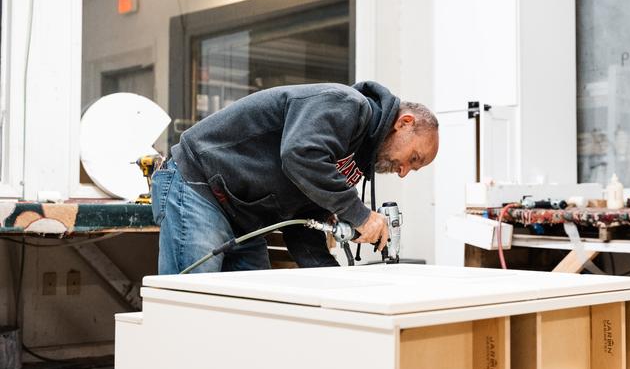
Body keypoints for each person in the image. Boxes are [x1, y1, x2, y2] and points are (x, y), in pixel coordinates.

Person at [151, 81, 439, 274]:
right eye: (413, 159)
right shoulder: (345, 104)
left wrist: (338, 287)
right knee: (189, 312)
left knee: (251, 313)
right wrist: (360, 215)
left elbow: (303, 227)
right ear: (404, 123)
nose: (403, 172)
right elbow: (299, 155)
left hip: (243, 216)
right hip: (199, 187)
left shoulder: (353, 162)